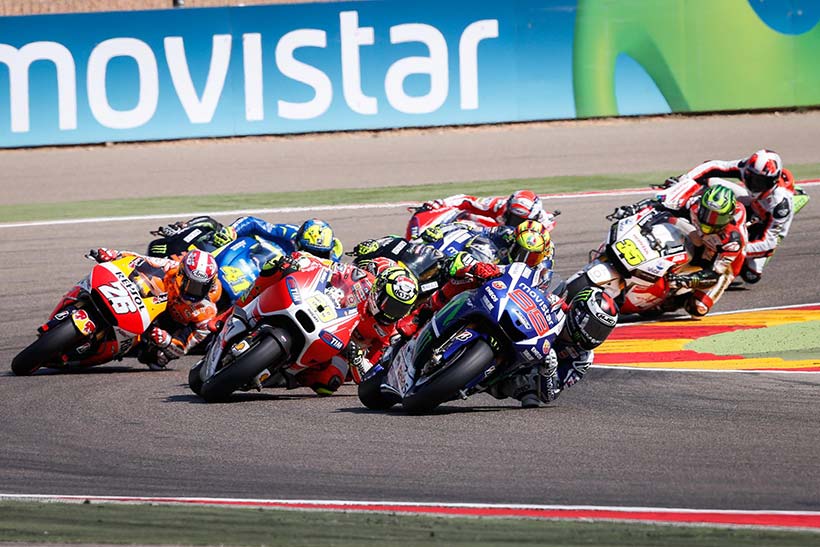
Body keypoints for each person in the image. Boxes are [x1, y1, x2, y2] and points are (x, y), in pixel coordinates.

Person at [237, 251, 419, 396]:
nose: (390, 312)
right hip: (319, 308)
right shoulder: (361, 279)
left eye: (399, 309)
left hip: (337, 346)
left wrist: (357, 359)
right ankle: (238, 309)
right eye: (389, 304)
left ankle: (286, 373)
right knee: (275, 266)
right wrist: (300, 262)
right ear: (378, 290)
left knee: (329, 382)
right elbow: (327, 266)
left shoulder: (387, 332)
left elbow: (370, 375)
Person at [659, 149, 795, 284]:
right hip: (750, 202)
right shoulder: (746, 166)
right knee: (708, 181)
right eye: (752, 179)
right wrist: (684, 181)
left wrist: (729, 249)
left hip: (766, 224)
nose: (755, 184)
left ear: (773, 181)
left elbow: (769, 244)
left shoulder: (780, 205)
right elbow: (713, 165)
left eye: (761, 182)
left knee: (751, 275)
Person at [610, 184, 747, 317]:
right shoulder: (694, 204)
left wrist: (685, 280)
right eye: (707, 213)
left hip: (722, 264)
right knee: (669, 224)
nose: (710, 220)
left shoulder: (732, 241)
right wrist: (634, 208)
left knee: (698, 308)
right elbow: (660, 204)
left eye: (718, 217)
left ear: (729, 217)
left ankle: (671, 300)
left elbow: (713, 275)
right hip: (697, 239)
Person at [77, 248, 222, 368]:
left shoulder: (207, 312)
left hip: (166, 328)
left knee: (157, 358)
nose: (194, 291)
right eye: (191, 284)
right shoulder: (171, 266)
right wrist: (115, 255)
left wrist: (167, 341)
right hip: (149, 304)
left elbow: (185, 346)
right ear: (181, 273)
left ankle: (94, 354)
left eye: (201, 287)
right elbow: (140, 259)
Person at [212, 217, 344, 262]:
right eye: (310, 251)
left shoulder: (330, 262)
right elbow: (252, 222)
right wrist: (232, 231)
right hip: (249, 258)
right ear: (298, 242)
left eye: (321, 254)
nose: (314, 257)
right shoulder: (290, 233)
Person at [421, 189, 557, 231]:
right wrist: (440, 203)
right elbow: (466, 200)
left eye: (520, 220)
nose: (515, 222)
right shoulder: (499, 205)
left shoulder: (542, 224)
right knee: (467, 219)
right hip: (491, 235)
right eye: (513, 217)